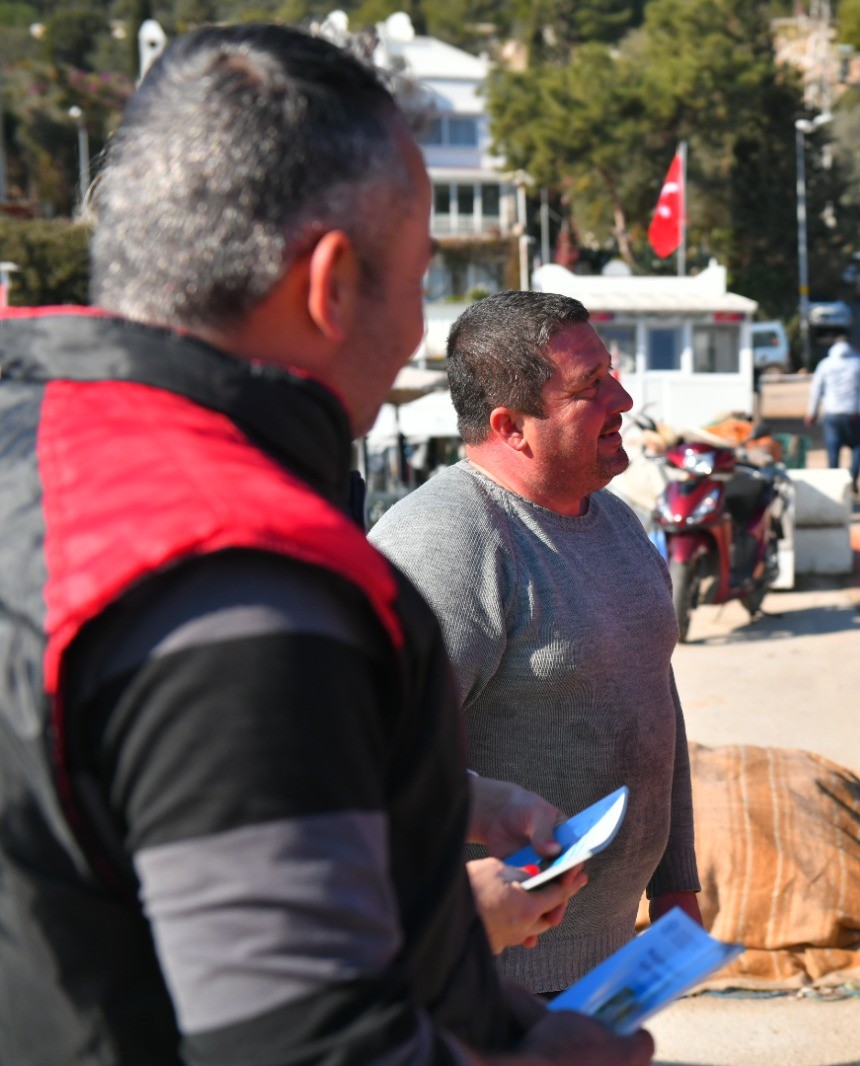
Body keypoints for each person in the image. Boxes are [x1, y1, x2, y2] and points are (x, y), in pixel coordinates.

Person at [0, 25, 648, 1066]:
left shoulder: (40, 457)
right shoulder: (238, 576)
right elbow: (301, 1040)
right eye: (416, 276)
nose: (413, 335)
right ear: (332, 282)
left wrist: (424, 797)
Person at [370, 290, 702, 996]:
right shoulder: (447, 545)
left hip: (609, 966)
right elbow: (360, 756)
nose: (624, 397)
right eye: (591, 387)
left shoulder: (616, 521)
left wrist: (677, 883)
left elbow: (656, 696)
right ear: (511, 427)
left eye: (610, 372)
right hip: (485, 986)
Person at [804, 330, 860, 494]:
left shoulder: (825, 364)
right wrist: (858, 354)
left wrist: (811, 413)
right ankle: (853, 477)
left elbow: (816, 390)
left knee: (833, 452)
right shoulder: (857, 362)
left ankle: (835, 488)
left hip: (831, 416)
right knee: (858, 446)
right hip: (852, 415)